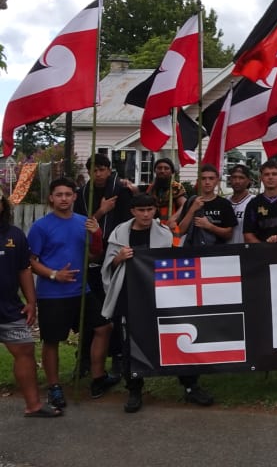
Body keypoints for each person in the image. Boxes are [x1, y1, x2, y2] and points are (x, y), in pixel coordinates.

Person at [101, 193, 212, 411]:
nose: (145, 214)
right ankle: (134, 389)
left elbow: (176, 264)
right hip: (129, 296)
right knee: (130, 343)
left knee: (177, 337)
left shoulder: (164, 234)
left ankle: (190, 386)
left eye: (150, 209)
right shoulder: (119, 234)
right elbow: (109, 267)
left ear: (155, 210)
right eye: (141, 210)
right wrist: (119, 258)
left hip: (160, 297)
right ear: (133, 211)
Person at [28, 177, 119, 408]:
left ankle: (98, 378)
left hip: (81, 290)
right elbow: (31, 261)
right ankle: (54, 387)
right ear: (51, 197)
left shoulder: (83, 222)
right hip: (52, 294)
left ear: (75, 197)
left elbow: (94, 255)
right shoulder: (41, 227)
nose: (64, 199)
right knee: (52, 341)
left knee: (103, 327)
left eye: (68, 194)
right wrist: (54, 274)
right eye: (59, 194)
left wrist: (97, 234)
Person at [1, 191, 61, 417]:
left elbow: (23, 270)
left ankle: (34, 405)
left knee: (25, 349)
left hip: (9, 308)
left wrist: (31, 301)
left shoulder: (14, 235)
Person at [74, 153, 133, 376]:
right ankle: (84, 358)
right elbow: (80, 224)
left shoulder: (121, 190)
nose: (98, 174)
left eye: (102, 169)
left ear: (109, 170)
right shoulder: (81, 195)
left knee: (116, 310)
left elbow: (132, 218)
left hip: (116, 256)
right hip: (89, 258)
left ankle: (117, 355)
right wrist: (101, 211)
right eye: (94, 170)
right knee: (91, 311)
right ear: (88, 172)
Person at [175, 164, 236, 245]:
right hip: (193, 253)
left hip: (216, 253)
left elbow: (229, 234)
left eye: (211, 178)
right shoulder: (191, 201)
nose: (207, 182)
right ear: (198, 181)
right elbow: (179, 232)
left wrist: (209, 226)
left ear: (217, 181)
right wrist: (192, 209)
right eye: (203, 178)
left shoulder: (225, 204)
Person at [243, 160, 277, 244]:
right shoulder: (253, 204)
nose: (270, 177)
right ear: (261, 178)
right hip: (263, 252)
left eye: (274, 174)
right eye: (266, 174)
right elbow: (248, 235)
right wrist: (265, 249)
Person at [139, 157, 186, 226]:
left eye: (166, 168)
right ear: (155, 170)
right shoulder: (150, 188)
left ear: (172, 172)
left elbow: (184, 205)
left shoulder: (176, 187)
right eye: (159, 168)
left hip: (169, 226)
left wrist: (174, 218)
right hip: (151, 226)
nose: (162, 171)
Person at [227, 164, 254, 244]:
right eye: (234, 177)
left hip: (246, 251)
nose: (237, 181)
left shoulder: (253, 201)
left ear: (249, 180)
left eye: (241, 178)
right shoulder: (225, 201)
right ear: (230, 179)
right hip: (225, 252)